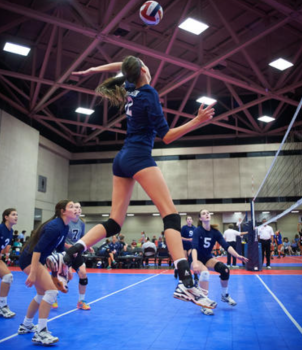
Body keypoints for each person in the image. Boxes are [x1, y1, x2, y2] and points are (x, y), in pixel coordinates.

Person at [62, 56, 216, 309]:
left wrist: (94, 68)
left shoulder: (131, 90)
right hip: (138, 157)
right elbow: (166, 136)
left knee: (114, 223)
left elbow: (123, 67)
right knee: (171, 217)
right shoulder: (147, 92)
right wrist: (197, 121)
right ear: (144, 70)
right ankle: (185, 281)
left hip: (121, 159)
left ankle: (71, 252)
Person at [17, 200, 76, 345]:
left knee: (41, 294)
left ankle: (26, 325)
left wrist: (67, 268)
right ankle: (41, 333)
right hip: (31, 259)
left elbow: (61, 250)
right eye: (72, 206)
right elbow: (37, 249)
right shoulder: (55, 227)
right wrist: (32, 272)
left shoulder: (64, 227)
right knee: (52, 292)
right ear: (63, 211)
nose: (75, 209)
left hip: (37, 260)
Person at [191, 209, 248, 316]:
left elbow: (226, 245)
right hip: (195, 258)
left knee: (225, 269)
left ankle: (224, 295)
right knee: (204, 273)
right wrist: (194, 262)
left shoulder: (215, 232)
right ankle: (204, 304)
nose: (207, 214)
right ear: (200, 218)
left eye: (208, 213)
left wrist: (237, 256)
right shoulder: (197, 231)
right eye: (204, 213)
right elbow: (194, 247)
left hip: (207, 258)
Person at [53, 202, 92, 311]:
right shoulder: (66, 223)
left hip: (77, 253)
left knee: (83, 274)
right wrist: (70, 247)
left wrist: (87, 246)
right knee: (67, 277)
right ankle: (53, 296)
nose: (77, 209)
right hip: (65, 253)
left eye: (79, 207)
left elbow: (83, 238)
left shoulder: (82, 223)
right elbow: (60, 240)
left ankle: (81, 301)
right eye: (75, 207)